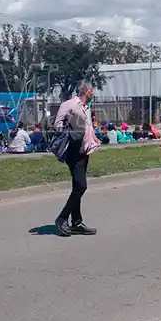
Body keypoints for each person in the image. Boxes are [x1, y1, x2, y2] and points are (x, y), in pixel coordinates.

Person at [53, 84, 101, 237]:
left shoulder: (87, 108)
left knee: (77, 186)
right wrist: (72, 131)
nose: (93, 93)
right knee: (81, 186)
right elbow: (57, 125)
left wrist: (94, 138)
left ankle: (76, 222)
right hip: (73, 150)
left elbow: (88, 127)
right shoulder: (69, 105)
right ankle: (61, 218)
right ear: (85, 91)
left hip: (84, 150)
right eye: (91, 90)